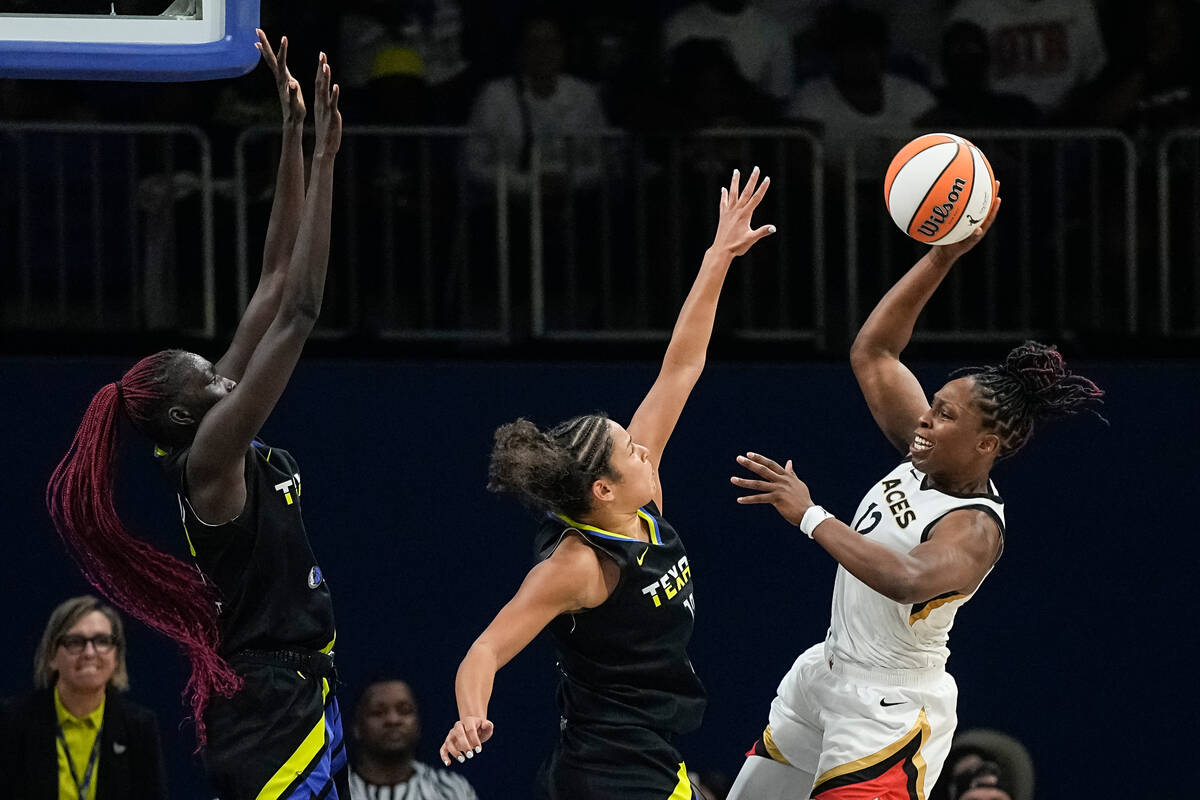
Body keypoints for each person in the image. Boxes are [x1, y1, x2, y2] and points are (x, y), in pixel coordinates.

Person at [44, 30, 347, 800]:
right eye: (212, 376)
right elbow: (302, 310)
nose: (226, 373)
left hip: (297, 694)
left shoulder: (207, 428)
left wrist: (287, 130)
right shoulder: (211, 458)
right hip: (273, 705)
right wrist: (325, 160)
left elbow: (276, 277)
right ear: (183, 415)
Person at [725, 187, 1105, 799]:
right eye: (931, 406)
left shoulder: (974, 528)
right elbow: (874, 353)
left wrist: (810, 515)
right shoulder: (921, 454)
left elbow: (905, 577)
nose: (925, 419)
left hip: (890, 709)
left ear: (988, 445)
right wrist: (942, 257)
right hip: (822, 675)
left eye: (946, 415)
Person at [439, 167, 776, 799]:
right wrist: (470, 715)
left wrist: (717, 256)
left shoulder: (636, 501)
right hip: (609, 777)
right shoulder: (578, 566)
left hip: (649, 759)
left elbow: (683, 364)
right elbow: (484, 649)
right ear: (603, 489)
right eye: (631, 451)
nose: (646, 450)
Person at [0, 596, 168, 800]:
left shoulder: (138, 727)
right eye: (75, 642)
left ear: (116, 657)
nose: (89, 652)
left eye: (102, 641)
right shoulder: (12, 721)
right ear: (52, 656)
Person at [350, 678, 478, 799]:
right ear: (356, 727)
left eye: (404, 710)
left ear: (419, 723)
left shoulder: (451, 789)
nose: (393, 720)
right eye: (378, 712)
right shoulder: (337, 788)